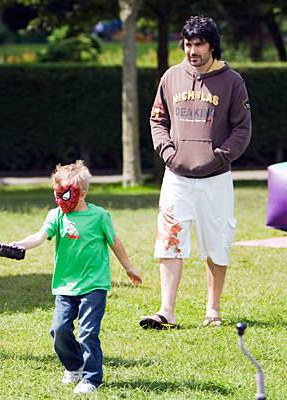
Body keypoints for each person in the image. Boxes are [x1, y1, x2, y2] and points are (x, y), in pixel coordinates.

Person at [141, 16, 251, 330]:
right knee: (169, 241)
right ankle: (166, 312)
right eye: (188, 44)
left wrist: (218, 157)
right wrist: (168, 153)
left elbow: (242, 129)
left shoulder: (232, 81)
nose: (192, 51)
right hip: (176, 178)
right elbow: (157, 120)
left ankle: (213, 311)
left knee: (217, 243)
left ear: (212, 45)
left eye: (199, 44)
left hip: (216, 179)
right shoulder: (172, 77)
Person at [11, 160, 142, 395]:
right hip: (65, 286)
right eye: (57, 193)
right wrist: (20, 244)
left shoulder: (99, 216)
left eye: (66, 193)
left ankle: (92, 377)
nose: (61, 199)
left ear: (82, 193)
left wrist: (128, 268)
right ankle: (74, 365)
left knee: (87, 332)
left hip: (94, 286)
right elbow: (40, 236)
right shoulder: (57, 216)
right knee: (59, 330)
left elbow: (115, 242)